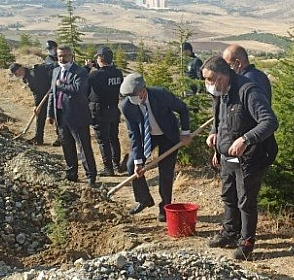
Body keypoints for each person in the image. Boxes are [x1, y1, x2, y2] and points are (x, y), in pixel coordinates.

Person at [203, 55, 278, 260]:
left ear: (222, 76)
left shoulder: (248, 91)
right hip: (228, 156)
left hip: (251, 157)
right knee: (229, 196)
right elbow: (220, 120)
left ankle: (246, 242)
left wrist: (246, 139)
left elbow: (269, 122)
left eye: (210, 79)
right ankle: (229, 233)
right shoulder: (220, 94)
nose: (207, 85)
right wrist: (214, 135)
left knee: (246, 201)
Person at [119, 73, 191, 221]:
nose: (130, 98)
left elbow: (182, 109)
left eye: (133, 94)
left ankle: (165, 207)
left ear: (142, 90)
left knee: (165, 172)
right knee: (131, 164)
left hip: (168, 135)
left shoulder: (160, 94)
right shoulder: (127, 106)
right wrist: (139, 161)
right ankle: (144, 199)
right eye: (128, 95)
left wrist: (185, 133)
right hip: (147, 136)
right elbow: (134, 134)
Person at [46, 46, 98, 187]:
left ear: (71, 56)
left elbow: (77, 89)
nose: (62, 59)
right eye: (60, 56)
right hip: (61, 115)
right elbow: (52, 93)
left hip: (77, 116)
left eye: (65, 56)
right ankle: (71, 173)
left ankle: (91, 176)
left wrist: (60, 85)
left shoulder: (79, 71)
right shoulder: (56, 70)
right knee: (67, 146)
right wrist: (50, 113)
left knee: (84, 147)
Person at [88, 47, 124, 176]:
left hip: (99, 110)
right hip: (113, 108)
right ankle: (117, 164)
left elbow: (84, 84)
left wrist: (88, 67)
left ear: (100, 59)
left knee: (103, 140)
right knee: (114, 138)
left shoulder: (95, 75)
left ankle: (108, 168)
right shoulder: (118, 73)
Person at [9, 62, 54, 145]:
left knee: (55, 115)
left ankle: (61, 138)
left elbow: (51, 66)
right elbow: (35, 92)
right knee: (39, 115)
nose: (18, 73)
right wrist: (37, 105)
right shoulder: (26, 78)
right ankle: (38, 138)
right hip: (44, 95)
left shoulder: (34, 71)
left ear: (22, 67)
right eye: (16, 73)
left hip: (53, 91)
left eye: (18, 70)